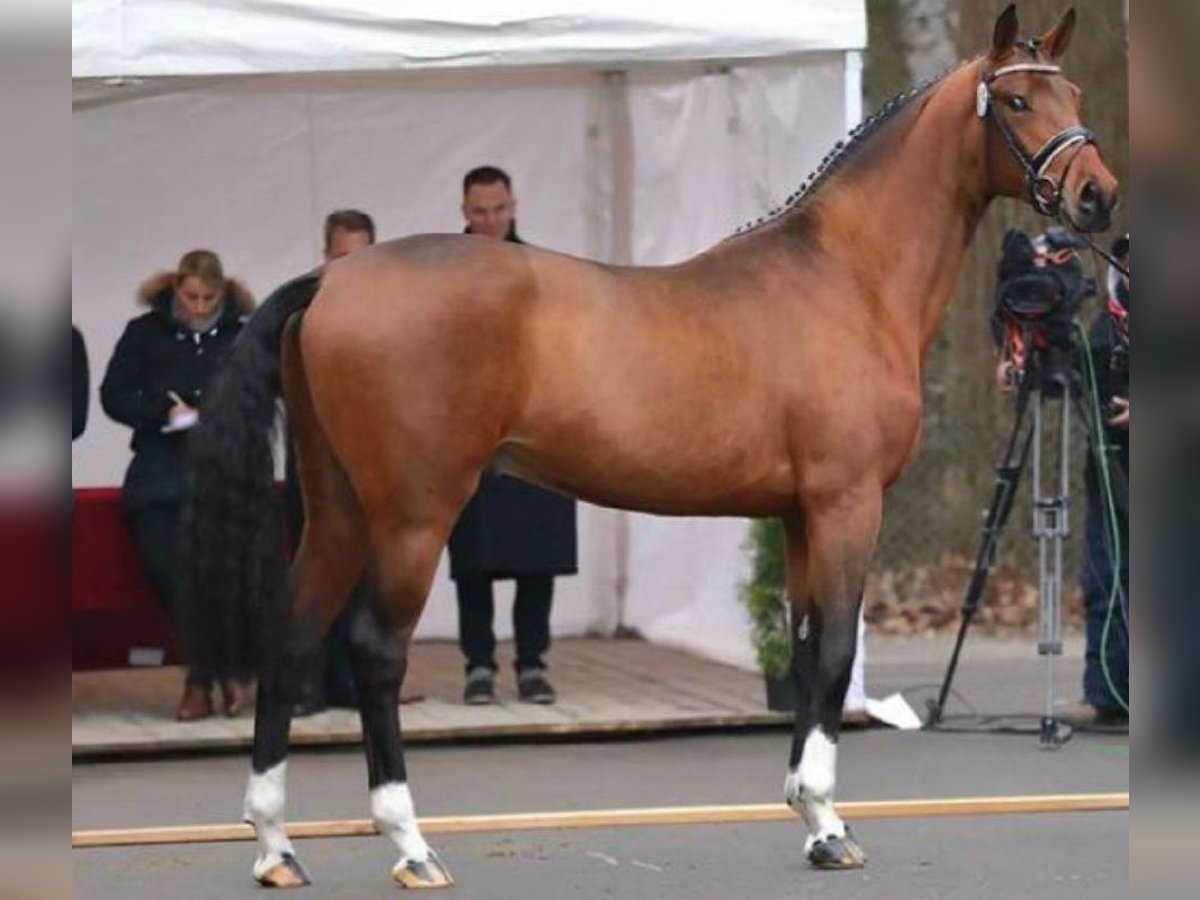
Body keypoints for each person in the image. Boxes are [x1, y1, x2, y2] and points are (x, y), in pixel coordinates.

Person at [101, 249, 255, 720]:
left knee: (216, 574)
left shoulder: (239, 336)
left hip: (223, 472)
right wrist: (161, 412)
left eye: (210, 298)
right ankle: (220, 667)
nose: (200, 307)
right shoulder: (144, 333)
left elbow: (263, 394)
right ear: (175, 289)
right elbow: (113, 396)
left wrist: (221, 413)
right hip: (160, 475)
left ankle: (200, 679)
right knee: (171, 572)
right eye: (191, 297)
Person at [449, 166, 578, 705]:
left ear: (514, 205)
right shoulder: (444, 271)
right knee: (471, 559)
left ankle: (531, 664)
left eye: (499, 209)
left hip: (533, 426)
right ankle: (478, 665)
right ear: (464, 211)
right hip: (468, 429)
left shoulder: (540, 270)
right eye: (480, 212)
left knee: (536, 553)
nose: (490, 221)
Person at [278, 209, 377, 716]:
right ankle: (305, 684)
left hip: (374, 465)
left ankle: (351, 683)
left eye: (363, 259)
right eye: (343, 258)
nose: (352, 270)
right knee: (317, 568)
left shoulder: (395, 319)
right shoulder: (307, 311)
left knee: (367, 577)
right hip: (317, 462)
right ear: (325, 258)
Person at [1074, 233, 1129, 725]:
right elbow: (1071, 384)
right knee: (1106, 578)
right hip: (1109, 472)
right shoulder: (1100, 332)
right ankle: (1106, 691)